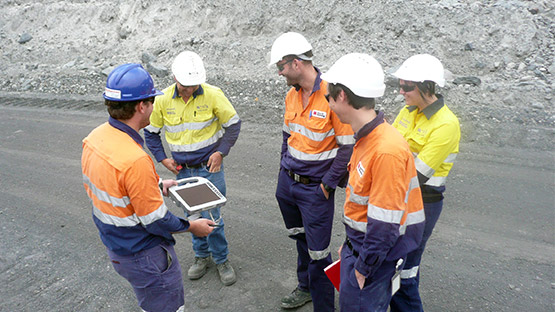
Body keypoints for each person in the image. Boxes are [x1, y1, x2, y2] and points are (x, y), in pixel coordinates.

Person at [81, 63, 215, 312]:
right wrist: (192, 226)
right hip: (144, 255)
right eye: (152, 101)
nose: (154, 106)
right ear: (142, 106)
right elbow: (156, 220)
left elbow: (114, 183)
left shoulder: (95, 138)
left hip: (118, 247)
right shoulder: (135, 160)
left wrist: (155, 184)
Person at [320, 53, 426, 311]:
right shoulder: (368, 138)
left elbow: (385, 223)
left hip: (374, 262)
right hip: (360, 249)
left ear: (342, 95)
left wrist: (363, 267)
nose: (328, 104)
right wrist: (350, 245)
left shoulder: (385, 150)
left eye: (328, 97)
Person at [268, 32, 354, 311]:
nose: (279, 72)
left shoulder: (333, 94)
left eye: (281, 66)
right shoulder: (291, 96)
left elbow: (347, 148)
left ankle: (324, 306)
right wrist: (283, 169)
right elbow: (286, 136)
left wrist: (327, 185)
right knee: (300, 239)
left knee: (319, 253)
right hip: (288, 184)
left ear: (295, 63)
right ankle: (305, 287)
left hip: (315, 189)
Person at [144, 51, 241, 286]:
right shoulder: (163, 99)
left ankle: (221, 259)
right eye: (185, 85)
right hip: (182, 171)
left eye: (193, 85)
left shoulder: (213, 95)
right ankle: (201, 257)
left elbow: (233, 125)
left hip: (210, 169)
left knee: (213, 215)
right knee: (192, 217)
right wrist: (162, 159)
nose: (189, 89)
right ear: (175, 78)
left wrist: (220, 153)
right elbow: (151, 133)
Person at [389, 54, 461, 312]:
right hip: (399, 198)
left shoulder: (446, 125)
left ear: (427, 87)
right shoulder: (407, 112)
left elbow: (416, 176)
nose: (401, 91)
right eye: (400, 84)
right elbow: (387, 147)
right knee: (403, 266)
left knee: (404, 272)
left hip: (422, 204)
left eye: (407, 86)